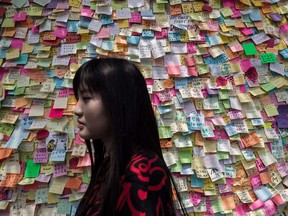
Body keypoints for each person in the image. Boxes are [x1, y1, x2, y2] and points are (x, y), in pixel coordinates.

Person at [73, 58, 187, 216]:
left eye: (86, 98)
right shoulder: (109, 166)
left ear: (119, 102)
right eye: (77, 98)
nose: (76, 109)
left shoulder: (142, 169)